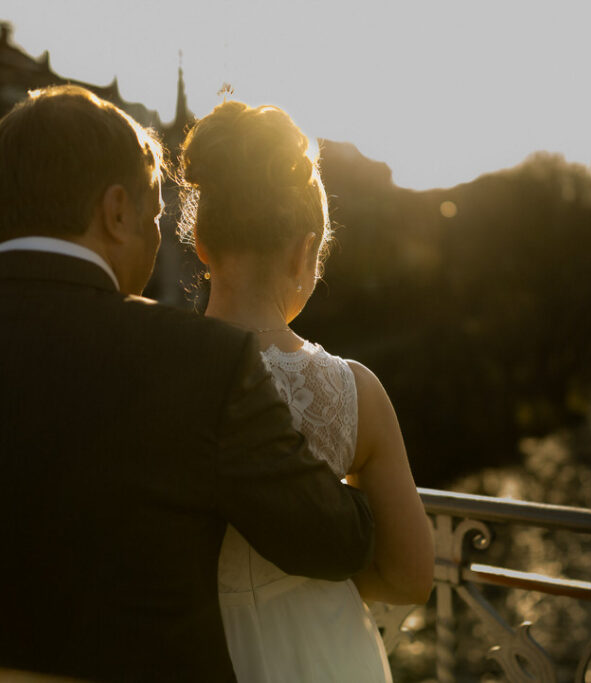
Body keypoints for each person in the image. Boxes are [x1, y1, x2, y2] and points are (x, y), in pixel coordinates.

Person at [0, 85, 375, 683]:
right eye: (153, 215)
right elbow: (333, 540)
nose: (156, 238)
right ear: (116, 211)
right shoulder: (198, 361)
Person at [180, 101, 435, 682]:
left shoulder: (151, 367)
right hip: (323, 652)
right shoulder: (354, 392)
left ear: (199, 241)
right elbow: (409, 577)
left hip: (189, 648)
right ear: (304, 249)